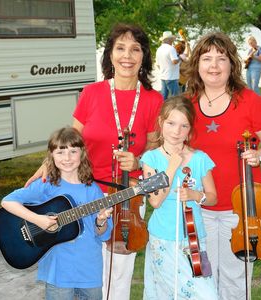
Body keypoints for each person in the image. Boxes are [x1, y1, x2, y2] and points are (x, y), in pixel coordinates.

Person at [25, 23, 164, 300]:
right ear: (110, 55)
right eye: (120, 48)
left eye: (135, 49)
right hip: (83, 191)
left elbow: (155, 147)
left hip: (128, 196)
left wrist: (137, 161)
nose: (127, 55)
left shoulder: (152, 99)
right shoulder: (92, 92)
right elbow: (71, 137)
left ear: (144, 56)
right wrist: (45, 165)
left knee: (119, 272)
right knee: (78, 264)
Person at [186, 31, 261, 300]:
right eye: (207, 58)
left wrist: (259, 156)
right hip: (199, 206)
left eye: (221, 58)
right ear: (197, 64)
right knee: (202, 279)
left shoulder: (250, 101)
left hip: (240, 211)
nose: (214, 66)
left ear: (232, 64)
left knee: (236, 281)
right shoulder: (187, 104)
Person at [1, 127, 113, 300]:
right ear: (51, 155)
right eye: (60, 152)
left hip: (89, 270)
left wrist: (101, 221)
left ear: (82, 153)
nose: (67, 158)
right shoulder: (46, 185)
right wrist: (38, 219)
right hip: (58, 271)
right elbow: (7, 201)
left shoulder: (93, 191)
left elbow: (103, 235)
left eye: (73, 151)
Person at [140, 96, 218, 300]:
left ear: (190, 130)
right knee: (167, 293)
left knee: (205, 294)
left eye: (184, 126)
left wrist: (196, 195)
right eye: (171, 123)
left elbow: (212, 197)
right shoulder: (151, 159)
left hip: (193, 238)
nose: (176, 131)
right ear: (161, 123)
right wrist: (173, 167)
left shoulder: (200, 159)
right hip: (163, 239)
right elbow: (155, 201)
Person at [156, 31, 180, 100]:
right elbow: (174, 61)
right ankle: (175, 110)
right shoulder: (171, 48)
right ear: (169, 39)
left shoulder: (159, 49)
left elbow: (158, 65)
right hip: (171, 77)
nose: (173, 41)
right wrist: (180, 58)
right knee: (176, 98)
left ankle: (161, 110)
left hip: (163, 76)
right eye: (172, 39)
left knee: (163, 98)